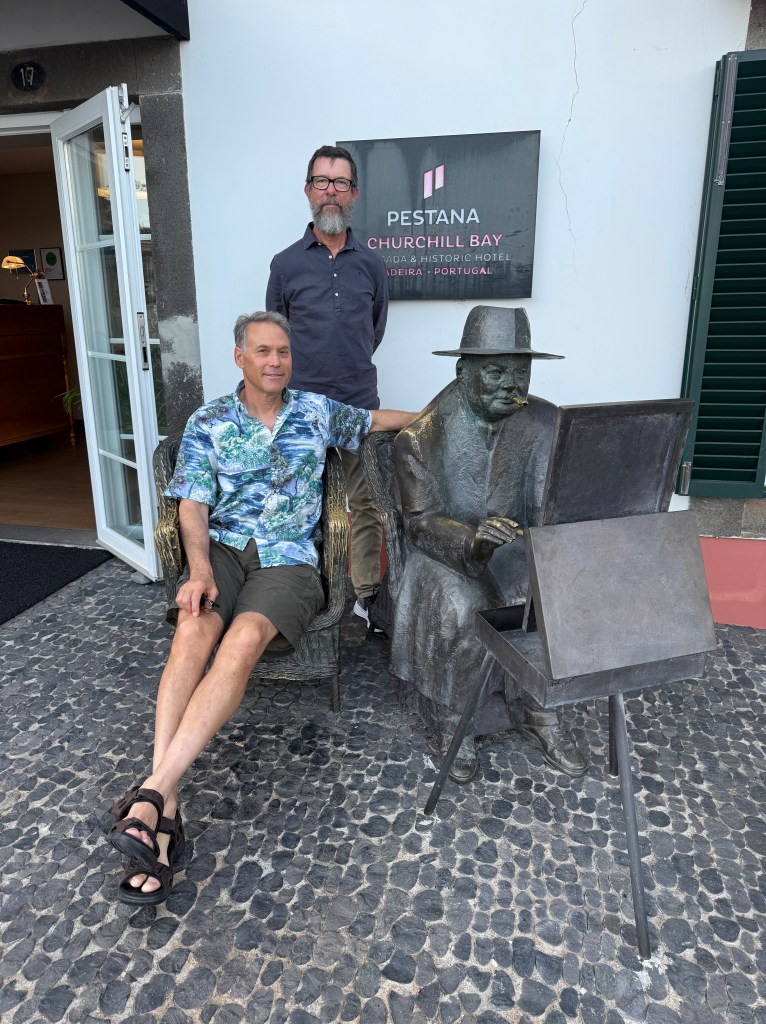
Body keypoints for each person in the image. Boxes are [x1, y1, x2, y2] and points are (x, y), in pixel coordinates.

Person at [106, 311, 415, 904]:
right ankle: (161, 806)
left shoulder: (316, 412)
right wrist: (199, 570)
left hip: (287, 560)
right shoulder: (209, 421)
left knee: (243, 641)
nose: (276, 361)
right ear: (240, 358)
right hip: (223, 551)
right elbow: (192, 506)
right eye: (264, 351)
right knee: (192, 632)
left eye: (284, 352)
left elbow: (377, 420)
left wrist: (438, 414)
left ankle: (152, 802)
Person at [391, 305, 587, 784]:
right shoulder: (420, 437)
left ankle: (540, 710)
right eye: (496, 372)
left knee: (549, 593)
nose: (510, 385)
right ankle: (454, 720)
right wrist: (473, 542)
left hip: (516, 546)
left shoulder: (547, 422)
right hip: (446, 553)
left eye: (520, 373)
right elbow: (420, 524)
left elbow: (547, 506)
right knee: (466, 609)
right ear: (464, 372)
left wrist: (554, 556)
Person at [266, 145, 388, 630]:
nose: (330, 191)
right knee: (298, 505)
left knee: (367, 504)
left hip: (359, 404)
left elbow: (374, 330)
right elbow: (274, 340)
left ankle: (364, 598)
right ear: (308, 191)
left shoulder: (372, 264)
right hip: (301, 408)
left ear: (354, 194)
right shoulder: (285, 265)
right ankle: (305, 594)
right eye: (322, 181)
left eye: (340, 183)